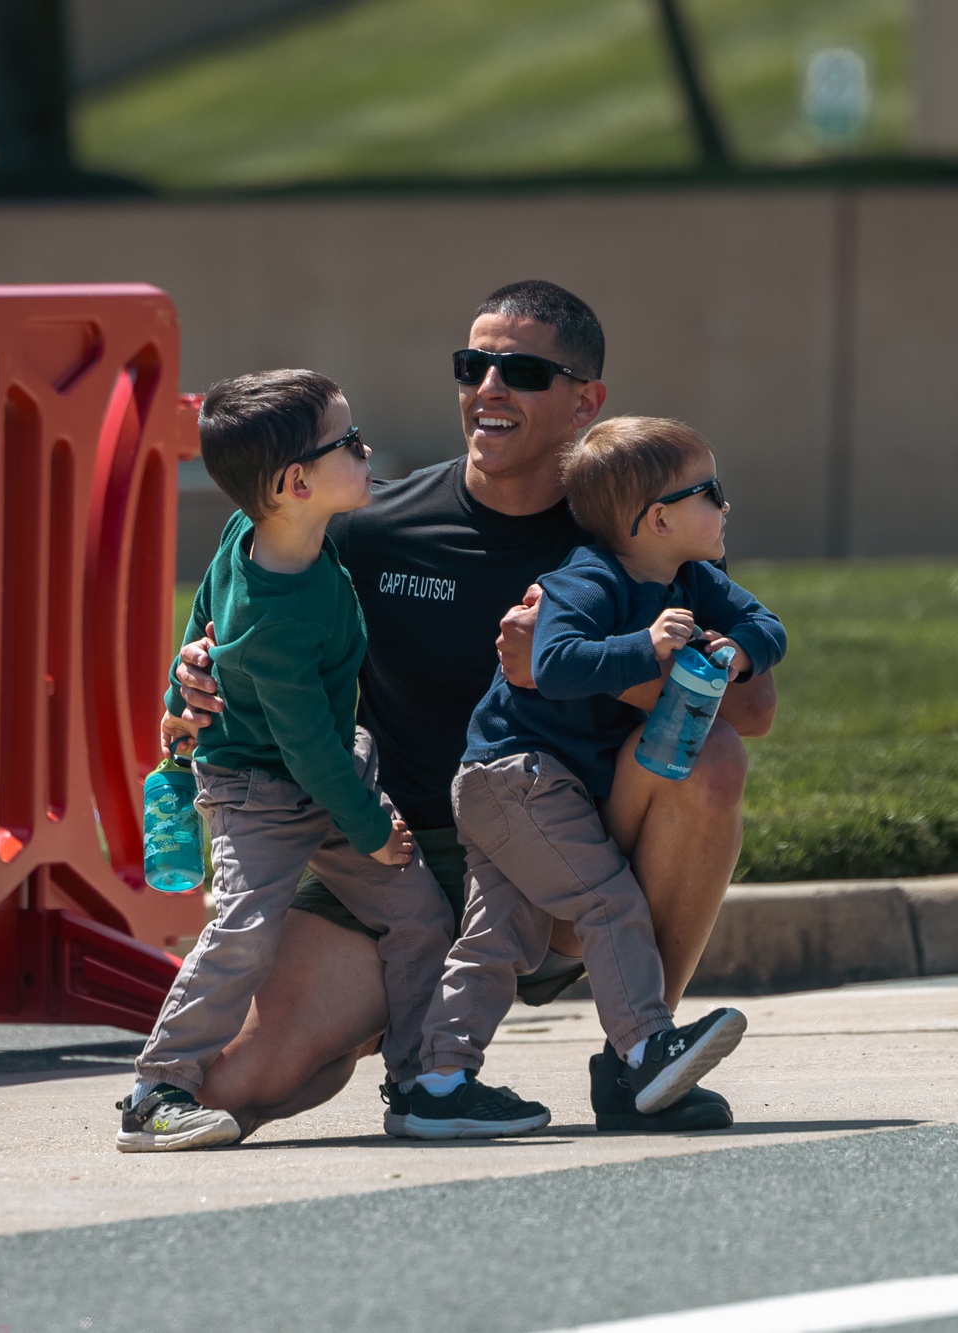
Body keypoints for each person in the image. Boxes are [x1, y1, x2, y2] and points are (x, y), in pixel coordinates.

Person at [174, 281, 778, 1137]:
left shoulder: (629, 533)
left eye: (524, 371)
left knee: (711, 759)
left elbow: (751, 707)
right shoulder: (370, 524)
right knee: (245, 1083)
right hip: (400, 862)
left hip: (570, 854)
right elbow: (243, 607)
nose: (489, 388)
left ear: (585, 401)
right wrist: (200, 669)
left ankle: (641, 1056)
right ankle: (412, 1032)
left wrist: (568, 667)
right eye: (474, 365)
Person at [404, 416, 786, 1138]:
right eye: (712, 492)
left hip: (538, 787)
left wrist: (738, 648)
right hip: (513, 776)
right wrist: (642, 647)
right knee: (609, 902)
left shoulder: (696, 578)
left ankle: (439, 1082)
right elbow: (553, 664)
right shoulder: (584, 579)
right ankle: (643, 1048)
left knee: (495, 941)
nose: (726, 506)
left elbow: (768, 625)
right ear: (659, 517)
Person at [117, 370, 452, 1151]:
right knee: (245, 931)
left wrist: (187, 662)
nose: (366, 449)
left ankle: (418, 1081)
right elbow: (309, 750)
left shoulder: (252, 532)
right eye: (350, 442)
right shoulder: (280, 616)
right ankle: (156, 1089)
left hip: (320, 782)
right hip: (264, 793)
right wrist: (370, 828)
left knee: (419, 915)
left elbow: (203, 609)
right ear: (299, 482)